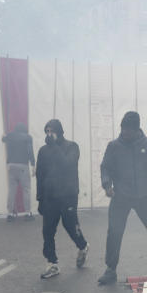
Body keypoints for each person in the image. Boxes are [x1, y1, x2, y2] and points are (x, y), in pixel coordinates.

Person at [97, 111, 147, 285]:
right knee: (114, 232)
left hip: (144, 196)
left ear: (137, 129)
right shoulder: (114, 146)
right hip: (121, 196)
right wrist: (107, 185)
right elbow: (105, 167)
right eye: (122, 129)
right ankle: (110, 270)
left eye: (128, 130)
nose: (124, 133)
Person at [34, 119, 89, 279]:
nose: (49, 135)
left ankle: (83, 246)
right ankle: (52, 263)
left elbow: (67, 164)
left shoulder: (72, 147)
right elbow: (40, 175)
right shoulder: (43, 151)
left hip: (68, 195)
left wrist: (55, 147)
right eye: (47, 132)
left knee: (70, 225)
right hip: (50, 196)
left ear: (60, 131)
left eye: (52, 131)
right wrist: (40, 198)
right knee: (47, 230)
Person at [2, 123, 35, 221]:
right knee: (26, 190)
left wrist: (4, 136)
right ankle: (28, 213)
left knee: (12, 190)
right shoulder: (28, 137)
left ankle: (10, 214)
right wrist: (33, 164)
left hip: (11, 166)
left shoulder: (10, 136)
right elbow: (30, 151)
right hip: (23, 166)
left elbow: (3, 139)